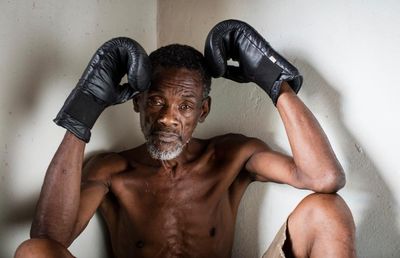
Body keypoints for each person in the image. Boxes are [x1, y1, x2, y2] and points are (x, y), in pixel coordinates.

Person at [15, 20, 356, 258]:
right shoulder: (112, 171)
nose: (167, 118)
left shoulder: (230, 156)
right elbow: (48, 240)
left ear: (203, 111)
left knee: (328, 209)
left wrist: (273, 82)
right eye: (156, 101)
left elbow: (323, 177)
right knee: (32, 251)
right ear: (137, 101)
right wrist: (83, 112)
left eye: (185, 106)